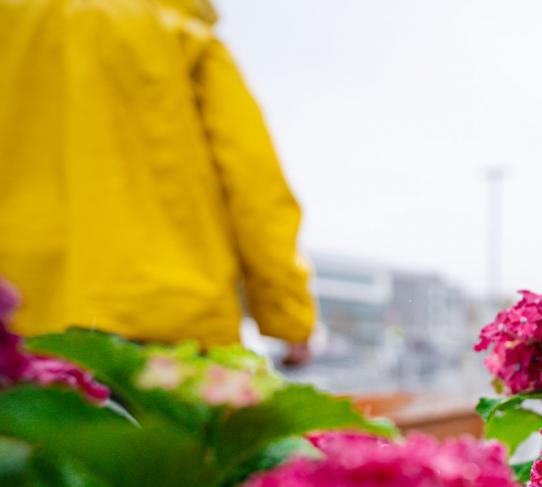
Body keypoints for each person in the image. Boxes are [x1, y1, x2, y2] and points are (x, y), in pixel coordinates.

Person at [0, 0, 315, 364]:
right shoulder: (178, 32)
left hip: (17, 313)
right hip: (161, 319)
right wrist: (288, 317)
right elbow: (255, 185)